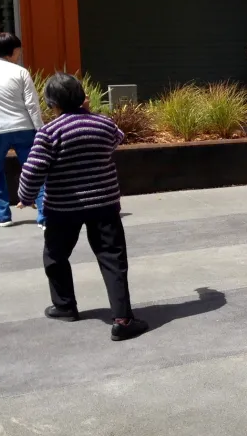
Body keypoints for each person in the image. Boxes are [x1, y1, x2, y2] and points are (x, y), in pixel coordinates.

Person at [17, 73, 148, 341]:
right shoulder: (104, 124)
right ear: (82, 98)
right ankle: (123, 319)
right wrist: (89, 114)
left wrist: (26, 196)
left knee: (55, 256)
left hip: (63, 207)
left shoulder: (49, 132)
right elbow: (117, 138)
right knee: (113, 259)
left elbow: (33, 171)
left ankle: (65, 306)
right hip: (104, 204)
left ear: (52, 103)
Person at [0, 31, 46, 229]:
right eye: (18, 51)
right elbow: (32, 105)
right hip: (24, 128)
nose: (20, 55)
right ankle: (44, 216)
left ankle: (2, 214)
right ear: (12, 52)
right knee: (35, 171)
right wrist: (40, 130)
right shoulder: (20, 72)